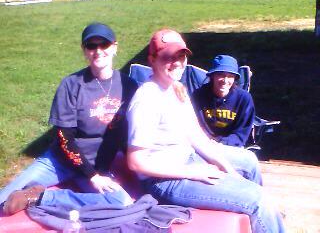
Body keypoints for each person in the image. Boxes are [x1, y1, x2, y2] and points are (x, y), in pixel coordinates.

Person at [126, 29, 284, 233]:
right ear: (152, 60)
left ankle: (255, 221)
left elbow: (195, 135)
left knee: (248, 161)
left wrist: (228, 169)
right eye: (167, 57)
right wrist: (193, 172)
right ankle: (259, 211)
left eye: (181, 56)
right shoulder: (147, 99)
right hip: (166, 181)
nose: (177, 63)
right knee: (258, 199)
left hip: (188, 158)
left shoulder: (175, 88)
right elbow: (136, 162)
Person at [0, 22, 138, 206]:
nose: (98, 51)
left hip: (99, 165)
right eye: (91, 45)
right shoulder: (71, 85)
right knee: (4, 199)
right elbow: (65, 137)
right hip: (59, 162)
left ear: (114, 47)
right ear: (84, 50)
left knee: (122, 202)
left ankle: (40, 197)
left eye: (104, 45)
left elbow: (131, 130)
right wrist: (92, 176)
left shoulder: (129, 85)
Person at [192, 55, 255, 147]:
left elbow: (241, 134)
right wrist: (207, 142)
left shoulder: (244, 99)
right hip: (203, 145)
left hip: (231, 147)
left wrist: (222, 143)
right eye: (221, 75)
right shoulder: (198, 96)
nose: (225, 80)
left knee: (250, 160)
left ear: (235, 79)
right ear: (212, 76)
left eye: (230, 76)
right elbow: (193, 125)